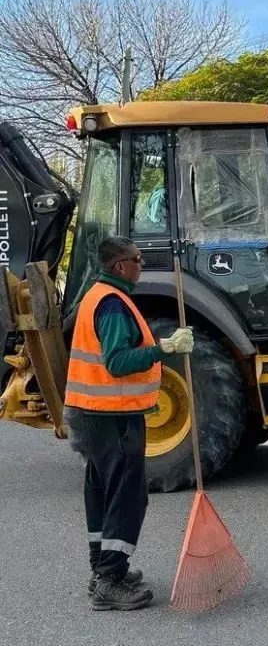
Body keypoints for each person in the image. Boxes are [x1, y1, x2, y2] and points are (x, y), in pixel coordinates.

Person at [64, 236, 194, 611]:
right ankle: (109, 579)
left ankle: (104, 570)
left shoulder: (99, 296)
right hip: (114, 413)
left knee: (103, 490)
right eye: (137, 259)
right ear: (120, 266)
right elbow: (118, 363)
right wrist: (164, 349)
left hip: (96, 412)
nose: (141, 264)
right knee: (126, 495)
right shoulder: (113, 305)